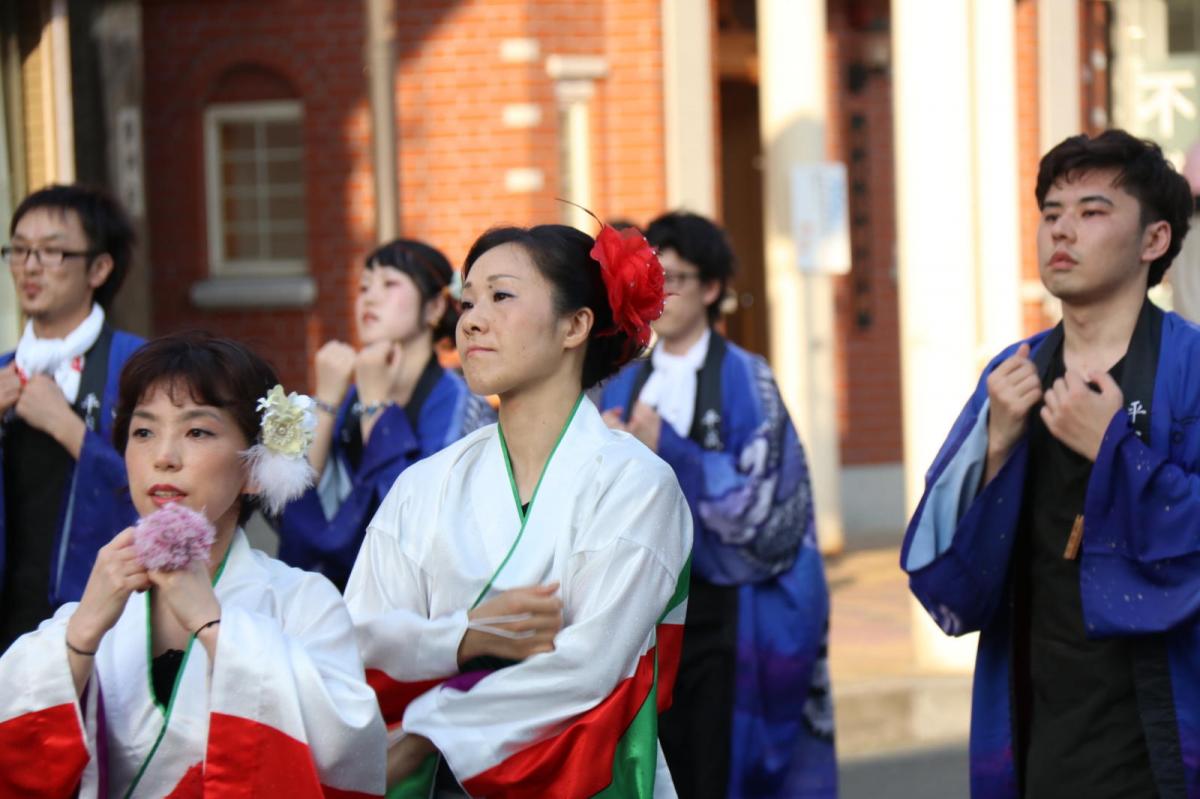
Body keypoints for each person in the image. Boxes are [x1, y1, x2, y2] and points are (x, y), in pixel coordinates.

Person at [344, 223, 693, 797]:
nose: (471, 320)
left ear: (575, 325)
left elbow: (590, 666)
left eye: (501, 296)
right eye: (467, 301)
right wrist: (465, 638)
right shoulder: (425, 485)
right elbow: (361, 637)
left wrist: (427, 730)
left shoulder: (637, 484)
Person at [902, 129, 1200, 797]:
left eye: (1093, 212)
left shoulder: (1192, 369)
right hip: (1040, 717)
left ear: (1154, 241)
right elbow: (940, 573)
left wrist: (1114, 449)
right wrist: (997, 444)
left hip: (1166, 719)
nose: (1062, 231)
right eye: (1051, 213)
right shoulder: (1013, 374)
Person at [0, 332, 385, 796]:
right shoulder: (93, 610)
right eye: (143, 432)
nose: (163, 457)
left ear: (253, 468)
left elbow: (347, 752)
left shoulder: (304, 604)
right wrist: (80, 635)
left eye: (197, 431)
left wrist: (214, 625)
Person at [600, 211, 836, 799]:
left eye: (675, 276)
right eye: (654, 273)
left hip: (723, 614)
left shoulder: (748, 379)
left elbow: (764, 505)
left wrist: (670, 449)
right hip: (641, 614)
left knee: (713, 768)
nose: (662, 289)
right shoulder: (623, 377)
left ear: (711, 288)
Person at [278, 238, 493, 588]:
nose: (369, 298)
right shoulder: (350, 392)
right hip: (334, 592)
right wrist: (327, 401)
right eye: (364, 287)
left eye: (390, 284)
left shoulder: (460, 403)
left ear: (435, 306)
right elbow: (292, 503)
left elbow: (419, 522)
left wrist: (375, 403)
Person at [0, 185, 145, 653]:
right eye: (18, 249)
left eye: (53, 251)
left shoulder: (137, 367)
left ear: (99, 268)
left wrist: (69, 431)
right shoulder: (4, 369)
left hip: (106, 621)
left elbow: (165, 497)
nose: (30, 265)